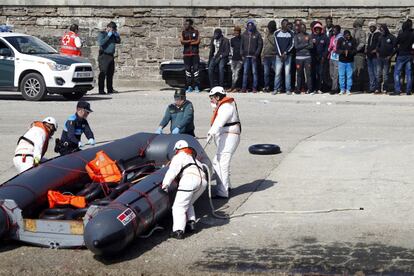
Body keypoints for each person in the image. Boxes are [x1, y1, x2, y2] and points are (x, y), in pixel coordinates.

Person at [161, 140, 207, 239]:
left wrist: (165, 185)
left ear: (177, 149)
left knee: (179, 207)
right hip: (203, 182)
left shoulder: (179, 156)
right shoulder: (195, 159)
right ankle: (191, 223)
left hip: (189, 180)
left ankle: (178, 231)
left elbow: (172, 171)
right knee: (188, 203)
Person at [207, 86, 241, 199]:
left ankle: (223, 192)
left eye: (212, 97)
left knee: (222, 162)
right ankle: (226, 186)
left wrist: (211, 133)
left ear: (217, 96)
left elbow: (219, 122)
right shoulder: (221, 105)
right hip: (225, 134)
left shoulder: (226, 107)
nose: (210, 100)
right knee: (217, 162)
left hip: (230, 135)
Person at [97, 21, 121, 95]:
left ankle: (110, 89)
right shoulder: (102, 34)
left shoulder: (113, 35)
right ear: (108, 28)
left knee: (110, 73)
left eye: (114, 30)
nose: (113, 31)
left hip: (111, 55)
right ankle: (101, 90)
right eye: (112, 29)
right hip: (104, 55)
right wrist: (108, 35)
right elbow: (101, 43)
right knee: (103, 73)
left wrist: (116, 35)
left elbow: (118, 41)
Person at [391, 20, 414, 96]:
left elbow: (395, 44)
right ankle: (408, 90)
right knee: (409, 73)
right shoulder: (412, 34)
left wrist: (398, 48)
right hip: (409, 55)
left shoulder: (401, 35)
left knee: (397, 73)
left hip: (401, 55)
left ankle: (397, 90)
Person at [240, 20, 263, 93]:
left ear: (253, 26)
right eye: (248, 25)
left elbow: (260, 45)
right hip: (246, 56)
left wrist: (256, 54)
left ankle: (254, 87)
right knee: (245, 72)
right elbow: (241, 45)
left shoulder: (257, 34)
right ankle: (244, 87)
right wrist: (242, 53)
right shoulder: (244, 34)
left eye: (251, 25)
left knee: (254, 72)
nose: (250, 26)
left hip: (254, 56)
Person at [274, 19, 295, 94]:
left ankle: (288, 89)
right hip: (279, 56)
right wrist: (280, 54)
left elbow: (292, 44)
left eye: (287, 24)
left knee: (287, 73)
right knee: (277, 73)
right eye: (285, 24)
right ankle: (276, 89)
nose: (286, 26)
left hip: (288, 56)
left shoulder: (291, 33)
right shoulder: (276, 33)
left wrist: (285, 53)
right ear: (282, 25)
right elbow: (276, 45)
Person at [181, 18, 201, 93]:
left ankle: (196, 86)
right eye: (185, 24)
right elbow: (182, 41)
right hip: (186, 54)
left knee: (196, 70)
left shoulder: (196, 32)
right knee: (188, 71)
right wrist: (190, 41)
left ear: (190, 24)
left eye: (187, 24)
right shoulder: (183, 32)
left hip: (195, 54)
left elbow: (198, 41)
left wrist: (188, 43)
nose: (185, 25)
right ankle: (189, 86)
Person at [376, 24, 396, 93]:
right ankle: (378, 88)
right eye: (381, 30)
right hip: (380, 58)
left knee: (385, 74)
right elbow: (377, 46)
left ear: (386, 29)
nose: (382, 31)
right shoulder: (380, 37)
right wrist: (377, 53)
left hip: (386, 59)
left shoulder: (391, 37)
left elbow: (396, 48)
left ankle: (385, 88)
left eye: (383, 30)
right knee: (378, 73)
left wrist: (390, 56)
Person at [294, 23, 313, 94]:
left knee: (308, 74)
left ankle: (310, 89)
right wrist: (305, 44)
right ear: (300, 29)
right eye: (302, 28)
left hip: (307, 57)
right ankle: (298, 89)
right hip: (299, 58)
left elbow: (311, 46)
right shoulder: (296, 36)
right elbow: (296, 46)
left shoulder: (309, 36)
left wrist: (301, 46)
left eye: (305, 27)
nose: (304, 29)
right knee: (299, 74)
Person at [336, 30, 357, 95]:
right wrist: (343, 52)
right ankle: (342, 89)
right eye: (347, 35)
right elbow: (337, 49)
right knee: (341, 76)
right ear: (344, 35)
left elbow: (355, 50)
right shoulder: (340, 40)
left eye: (349, 35)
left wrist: (350, 52)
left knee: (349, 76)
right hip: (342, 61)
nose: (348, 36)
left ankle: (348, 89)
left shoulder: (353, 40)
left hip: (350, 61)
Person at [311, 22, 329, 93]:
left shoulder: (324, 37)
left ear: (321, 29)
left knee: (320, 73)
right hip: (314, 58)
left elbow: (327, 47)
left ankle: (319, 88)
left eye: (319, 29)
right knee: (313, 73)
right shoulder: (312, 36)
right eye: (316, 29)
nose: (317, 30)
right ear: (314, 29)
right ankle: (314, 88)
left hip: (321, 58)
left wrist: (324, 56)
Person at [261, 20, 277, 93]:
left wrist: (269, 36)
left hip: (274, 56)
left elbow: (275, 43)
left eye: (270, 27)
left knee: (276, 73)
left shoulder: (276, 34)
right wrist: (262, 55)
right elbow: (264, 45)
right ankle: (266, 86)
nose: (269, 29)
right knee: (266, 73)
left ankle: (275, 87)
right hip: (266, 56)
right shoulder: (266, 34)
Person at [366, 22, 381, 93]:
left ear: (375, 27)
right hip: (369, 56)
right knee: (370, 73)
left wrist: (376, 50)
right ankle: (371, 87)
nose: (371, 28)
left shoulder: (378, 34)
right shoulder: (369, 35)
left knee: (376, 72)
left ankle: (377, 88)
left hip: (375, 56)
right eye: (370, 27)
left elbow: (380, 44)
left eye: (372, 27)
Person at [352, 19, 366, 92]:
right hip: (353, 54)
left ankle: (361, 87)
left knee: (360, 71)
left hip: (359, 54)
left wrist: (356, 49)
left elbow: (362, 43)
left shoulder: (362, 32)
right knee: (354, 71)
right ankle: (355, 86)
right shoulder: (354, 31)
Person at [328, 25, 343, 93]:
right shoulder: (332, 37)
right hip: (332, 57)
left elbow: (339, 48)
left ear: (339, 30)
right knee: (331, 74)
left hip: (337, 58)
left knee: (335, 74)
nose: (333, 31)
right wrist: (330, 49)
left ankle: (334, 89)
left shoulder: (341, 38)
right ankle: (336, 86)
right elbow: (330, 46)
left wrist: (334, 49)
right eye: (333, 30)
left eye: (335, 30)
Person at [229, 26, 243, 92]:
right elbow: (231, 49)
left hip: (240, 59)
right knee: (233, 74)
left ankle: (235, 87)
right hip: (234, 58)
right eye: (235, 33)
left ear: (240, 33)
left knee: (237, 73)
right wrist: (231, 59)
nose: (236, 34)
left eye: (237, 33)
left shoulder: (242, 40)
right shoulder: (232, 40)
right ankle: (232, 86)